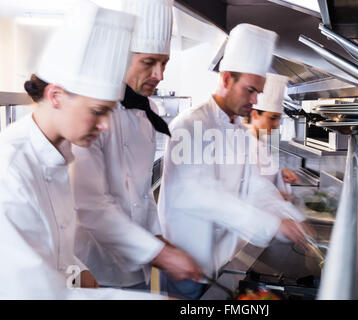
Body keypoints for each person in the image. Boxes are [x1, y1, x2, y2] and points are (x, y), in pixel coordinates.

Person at [0, 0, 165, 299]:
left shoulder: (58, 154)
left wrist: (77, 270)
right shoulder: (9, 172)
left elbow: (51, 248)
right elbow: (36, 294)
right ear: (56, 96)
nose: (105, 126)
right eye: (99, 111)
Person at [157, 23, 311, 300]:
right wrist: (273, 225)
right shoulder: (190, 125)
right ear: (226, 79)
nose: (255, 101)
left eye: (258, 93)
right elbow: (201, 195)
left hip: (225, 259)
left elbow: (255, 186)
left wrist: (291, 219)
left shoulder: (239, 132)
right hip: (190, 265)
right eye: (250, 90)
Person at [69, 0, 202, 291]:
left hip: (140, 261)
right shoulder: (91, 114)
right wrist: (160, 253)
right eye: (149, 62)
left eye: (164, 63)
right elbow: (91, 206)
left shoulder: (149, 111)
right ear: (122, 56)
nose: (159, 75)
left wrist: (157, 239)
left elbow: (141, 195)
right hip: (94, 268)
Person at [244, 73, 315, 235]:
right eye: (273, 118)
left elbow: (265, 180)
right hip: (251, 230)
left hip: (267, 224)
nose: (276, 125)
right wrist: (295, 217)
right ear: (255, 114)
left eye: (279, 119)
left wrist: (280, 175)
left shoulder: (261, 142)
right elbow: (255, 192)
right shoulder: (242, 145)